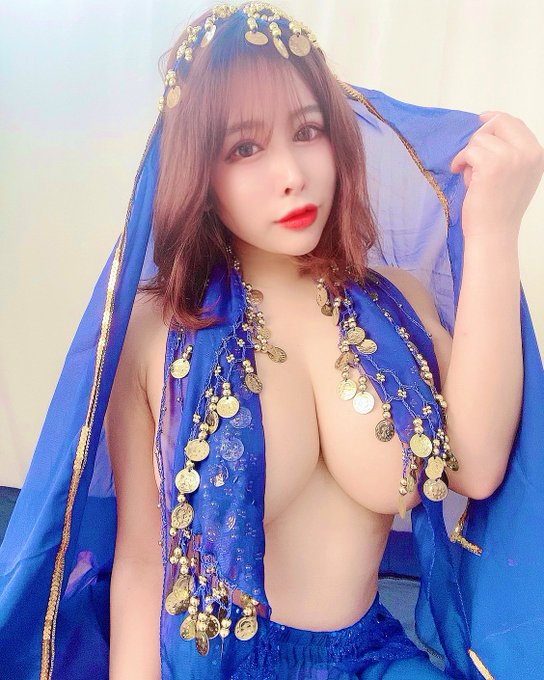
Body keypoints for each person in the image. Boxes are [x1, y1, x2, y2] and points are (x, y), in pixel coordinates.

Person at [0, 3, 543, 679]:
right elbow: (143, 563)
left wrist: (493, 229)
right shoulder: (158, 330)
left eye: (308, 131)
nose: (292, 173)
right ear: (200, 170)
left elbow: (477, 467)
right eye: (245, 148)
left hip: (367, 656)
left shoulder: (397, 302)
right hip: (216, 664)